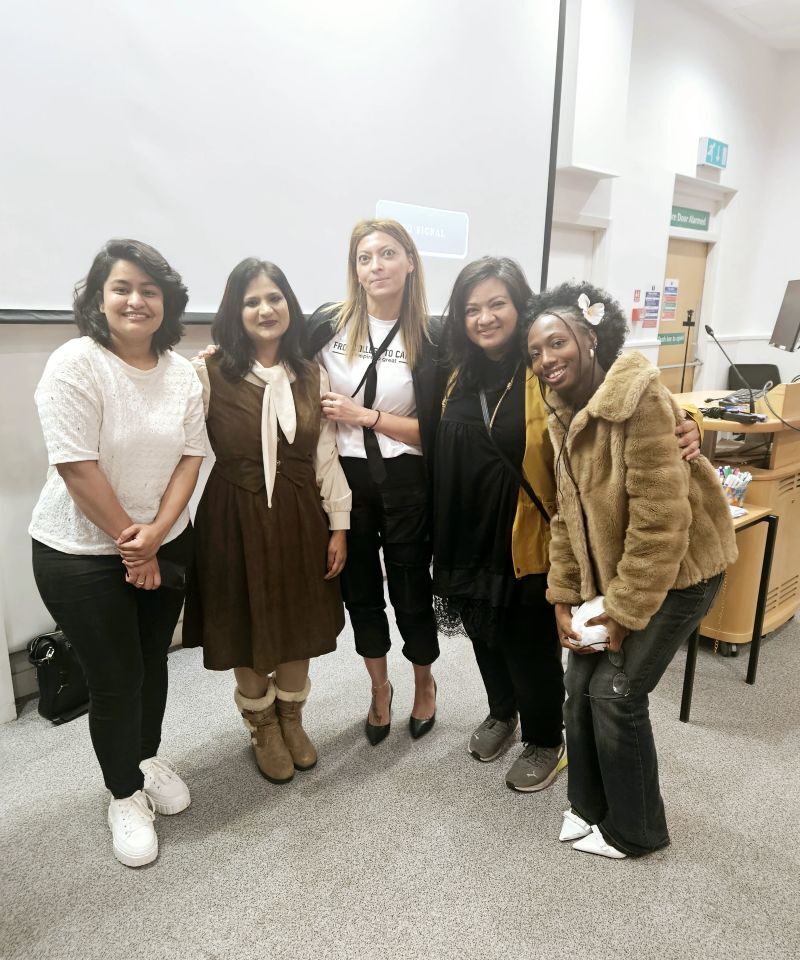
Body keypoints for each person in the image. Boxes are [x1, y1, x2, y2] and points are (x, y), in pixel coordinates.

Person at [526, 281, 737, 858]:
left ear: (590, 338)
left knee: (614, 693)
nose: (545, 359)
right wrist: (564, 597)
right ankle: (587, 806)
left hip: (681, 574)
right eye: (535, 351)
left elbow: (660, 524)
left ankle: (636, 831)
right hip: (622, 576)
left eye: (557, 342)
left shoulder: (639, 400)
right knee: (577, 685)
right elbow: (566, 516)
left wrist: (622, 613)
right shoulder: (562, 412)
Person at [30, 239, 206, 868]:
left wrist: (157, 532)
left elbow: (192, 457)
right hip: (79, 551)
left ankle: (145, 757)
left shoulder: (181, 372)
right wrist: (136, 547)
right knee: (115, 678)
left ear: (167, 302)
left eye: (149, 290)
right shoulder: (76, 363)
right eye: (121, 288)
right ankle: (123, 793)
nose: (136, 300)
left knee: (152, 662)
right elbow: (76, 466)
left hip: (165, 540)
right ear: (99, 299)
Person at [183, 259, 351, 783]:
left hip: (301, 513)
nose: (264, 309)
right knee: (244, 618)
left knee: (301, 619)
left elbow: (326, 456)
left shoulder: (313, 374)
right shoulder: (207, 372)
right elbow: (182, 450)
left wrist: (339, 524)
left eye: (274, 298)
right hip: (233, 512)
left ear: (289, 305)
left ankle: (291, 718)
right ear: (235, 311)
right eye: (251, 301)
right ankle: (261, 725)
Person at [307, 219, 442, 744]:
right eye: (364, 258)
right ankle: (379, 689)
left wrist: (367, 416)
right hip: (345, 478)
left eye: (387, 254)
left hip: (405, 476)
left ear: (409, 262)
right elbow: (272, 358)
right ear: (355, 270)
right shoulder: (327, 325)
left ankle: (425, 683)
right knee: (359, 590)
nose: (376, 266)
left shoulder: (431, 337)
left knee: (410, 589)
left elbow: (437, 432)